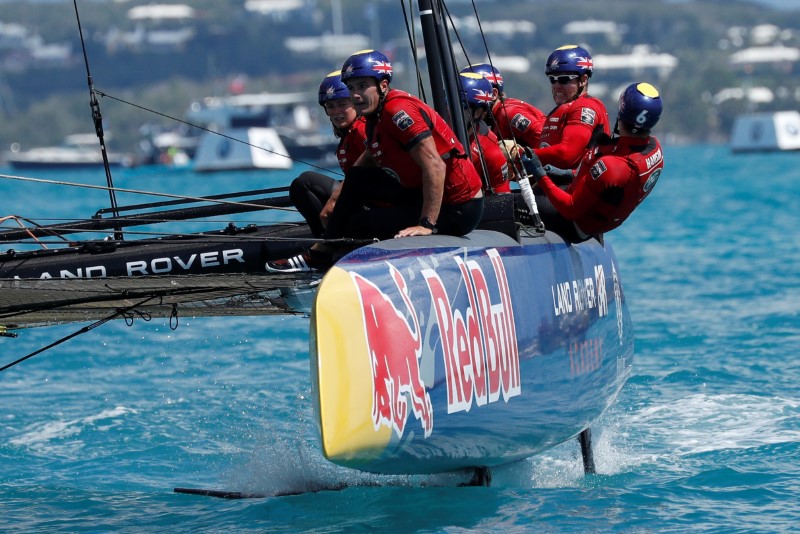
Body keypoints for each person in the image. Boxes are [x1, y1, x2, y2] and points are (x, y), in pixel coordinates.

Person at [267, 49, 484, 273]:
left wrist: (426, 224)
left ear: (382, 85)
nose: (356, 95)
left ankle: (332, 257)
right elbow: (368, 159)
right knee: (357, 178)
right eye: (351, 88)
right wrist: (338, 198)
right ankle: (324, 251)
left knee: (360, 223)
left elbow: (435, 165)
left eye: (362, 86)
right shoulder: (376, 115)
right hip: (424, 195)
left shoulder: (397, 111)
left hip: (459, 208)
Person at [519, 82, 665, 243]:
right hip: (593, 216)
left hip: (573, 225)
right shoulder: (654, 148)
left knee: (505, 205)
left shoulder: (611, 167)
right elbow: (610, 184)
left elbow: (570, 209)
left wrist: (539, 173)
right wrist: (567, 173)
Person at [288, 71, 367, 238]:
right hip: (361, 200)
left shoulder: (362, 129)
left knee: (305, 182)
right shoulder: (348, 133)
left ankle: (329, 243)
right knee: (298, 186)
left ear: (355, 102)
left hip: (374, 205)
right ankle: (328, 238)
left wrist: (333, 202)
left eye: (342, 104)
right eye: (330, 106)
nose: (336, 111)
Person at [533, 45, 611, 173]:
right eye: (552, 80)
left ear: (583, 80)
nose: (556, 86)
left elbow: (567, 154)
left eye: (564, 79)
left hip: (578, 189)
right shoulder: (561, 110)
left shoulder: (584, 107)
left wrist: (521, 155)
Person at [460, 63, 545, 151]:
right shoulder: (495, 118)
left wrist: (519, 154)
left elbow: (547, 142)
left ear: (493, 94)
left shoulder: (509, 114)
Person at [458, 72, 511, 194]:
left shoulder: (490, 150)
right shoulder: (434, 130)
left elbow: (502, 200)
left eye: (460, 106)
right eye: (447, 102)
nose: (449, 110)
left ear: (477, 113)